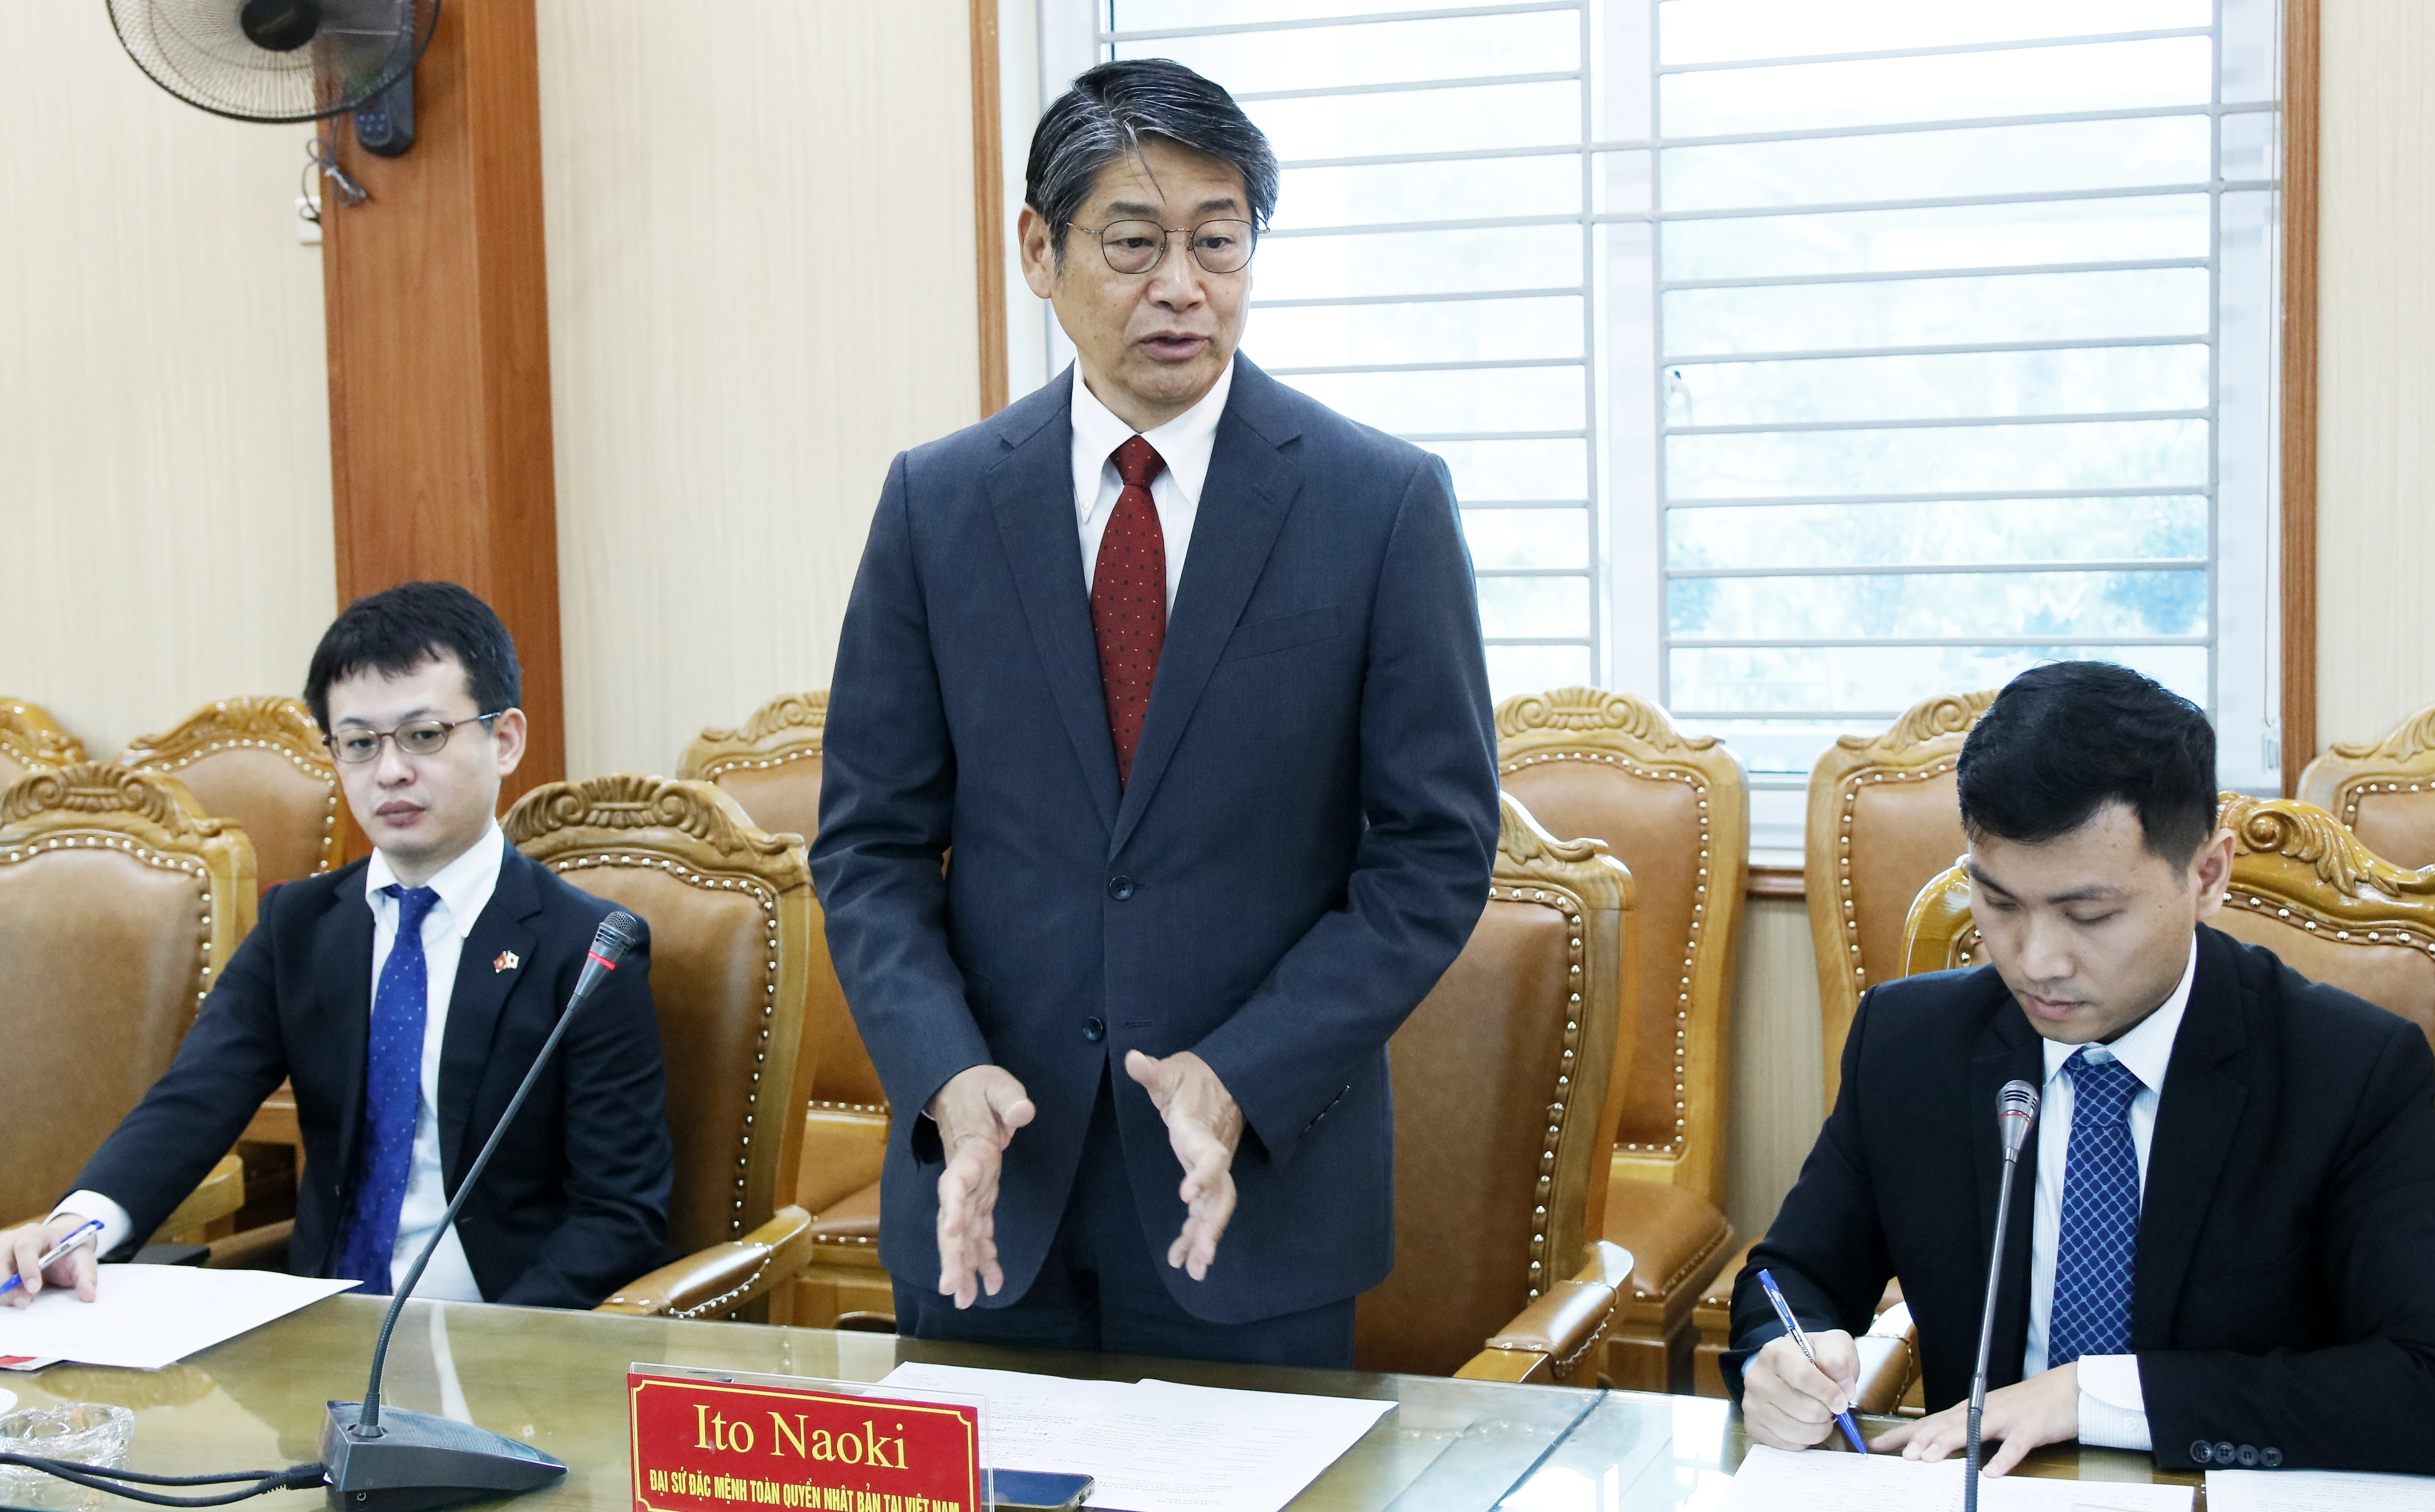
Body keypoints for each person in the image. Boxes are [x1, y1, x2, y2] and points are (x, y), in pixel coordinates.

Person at [810, 58, 1500, 1368]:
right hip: (992, 1193)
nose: (1182, 285)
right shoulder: (936, 505)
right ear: (1040, 250)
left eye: (1217, 243)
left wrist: (1248, 1071)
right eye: (1134, 243)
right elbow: (868, 847)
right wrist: (943, 1072)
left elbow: (1435, 854)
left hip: (1249, 1201)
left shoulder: (1379, 503)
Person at [1726, 661, 2435, 1475]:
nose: (2037, 961)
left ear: (2207, 875)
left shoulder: (2352, 1072)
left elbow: (2420, 1380)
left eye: (2088, 914)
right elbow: (1793, 1273)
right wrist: (1782, 1359)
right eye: (1999, 903)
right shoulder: (1910, 1042)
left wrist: (2094, 1395)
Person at [2, 582, 675, 1311]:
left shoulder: (588, 950)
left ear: (504, 739)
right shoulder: (298, 925)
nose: (390, 772)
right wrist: (80, 1224)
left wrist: (499, 1345)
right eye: (359, 744)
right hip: (323, 1325)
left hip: (500, 1329)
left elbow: (620, 1216)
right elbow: (195, 1100)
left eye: (425, 736)